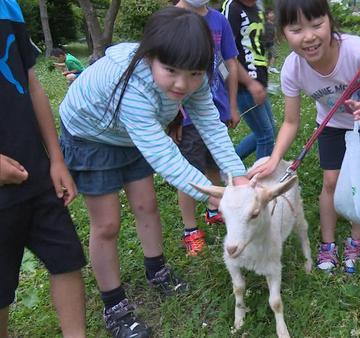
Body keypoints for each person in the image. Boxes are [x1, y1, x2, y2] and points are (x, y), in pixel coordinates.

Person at [58, 7, 248, 338]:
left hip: (133, 134)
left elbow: (211, 128)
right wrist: (219, 195)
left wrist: (239, 178)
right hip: (90, 135)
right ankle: (115, 306)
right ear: (149, 57)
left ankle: (157, 270)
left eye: (193, 74)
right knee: (106, 224)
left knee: (147, 204)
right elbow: (164, 156)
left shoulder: (195, 77)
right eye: (171, 70)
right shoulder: (132, 85)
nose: (182, 84)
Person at [249, 0, 360, 275]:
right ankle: (328, 243)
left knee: (358, 182)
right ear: (282, 33)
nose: (309, 36)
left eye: (317, 25)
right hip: (332, 123)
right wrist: (275, 159)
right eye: (296, 29)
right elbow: (291, 122)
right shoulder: (293, 68)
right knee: (331, 182)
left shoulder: (359, 51)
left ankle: (356, 239)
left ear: (330, 21)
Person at [0, 1, 86, 336]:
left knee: (66, 258)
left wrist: (56, 159)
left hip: (36, 172)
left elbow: (31, 82)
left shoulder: (8, 7)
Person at [172, 0, 240, 257]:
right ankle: (191, 230)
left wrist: (232, 104)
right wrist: (172, 116)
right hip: (185, 116)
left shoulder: (219, 20)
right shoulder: (172, 18)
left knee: (214, 164)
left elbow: (230, 63)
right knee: (188, 174)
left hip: (216, 109)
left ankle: (214, 211)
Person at [223, 0, 275, 161]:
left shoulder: (256, 7)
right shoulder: (232, 7)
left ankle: (230, 164)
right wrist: (250, 83)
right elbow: (225, 54)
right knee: (265, 136)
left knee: (269, 131)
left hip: (258, 81)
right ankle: (261, 182)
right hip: (244, 85)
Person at [264, 8, 279, 74]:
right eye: (270, 13)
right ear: (266, 16)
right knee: (274, 55)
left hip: (271, 42)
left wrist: (276, 40)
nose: (272, 15)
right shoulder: (265, 24)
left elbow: (274, 33)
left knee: (270, 56)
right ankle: (271, 68)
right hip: (267, 43)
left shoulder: (273, 24)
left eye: (273, 13)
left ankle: (268, 68)